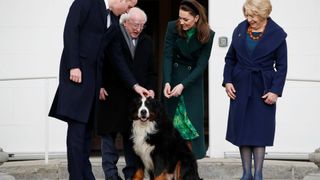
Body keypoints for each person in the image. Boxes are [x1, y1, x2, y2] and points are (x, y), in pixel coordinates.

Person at [48, 0, 152, 179]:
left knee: (87, 133)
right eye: (128, 7)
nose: (128, 11)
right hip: (77, 76)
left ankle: (86, 175)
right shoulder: (86, 2)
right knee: (77, 132)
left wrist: (135, 85)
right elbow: (71, 30)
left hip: (94, 83)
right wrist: (74, 65)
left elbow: (116, 57)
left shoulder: (113, 19)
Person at [222, 0, 287, 179]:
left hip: (263, 87)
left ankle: (258, 174)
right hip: (241, 85)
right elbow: (230, 59)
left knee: (259, 130)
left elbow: (282, 66)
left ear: (264, 14)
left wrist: (275, 90)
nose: (249, 19)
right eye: (247, 15)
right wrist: (227, 81)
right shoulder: (240, 30)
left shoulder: (277, 34)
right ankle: (246, 174)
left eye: (253, 16)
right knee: (243, 129)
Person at [96, 7, 156, 180]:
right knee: (108, 138)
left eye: (142, 25)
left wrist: (151, 88)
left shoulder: (147, 41)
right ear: (126, 21)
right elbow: (100, 60)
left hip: (135, 101)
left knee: (133, 140)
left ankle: (132, 176)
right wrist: (99, 85)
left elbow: (151, 71)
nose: (138, 29)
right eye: (135, 25)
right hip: (111, 95)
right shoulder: (114, 34)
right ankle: (111, 176)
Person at [162, 0, 215, 160]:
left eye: (186, 19)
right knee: (170, 124)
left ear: (197, 18)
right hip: (173, 78)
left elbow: (201, 66)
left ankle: (189, 166)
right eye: (180, 18)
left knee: (191, 124)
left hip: (192, 83)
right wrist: (167, 81)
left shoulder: (208, 34)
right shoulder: (172, 27)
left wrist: (183, 85)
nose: (182, 22)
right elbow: (168, 56)